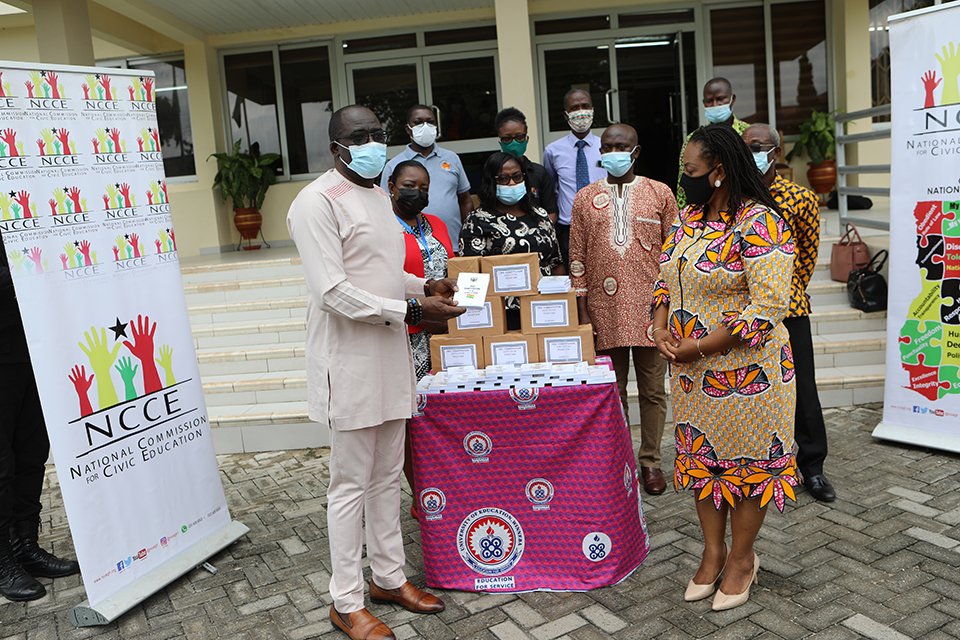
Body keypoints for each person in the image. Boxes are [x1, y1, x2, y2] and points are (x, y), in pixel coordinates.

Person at [287, 105, 465, 640]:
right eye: (358, 136)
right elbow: (333, 291)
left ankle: (389, 577)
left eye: (377, 135)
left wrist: (423, 288)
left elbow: (386, 270)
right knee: (350, 485)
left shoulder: (377, 194)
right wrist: (413, 312)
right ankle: (346, 600)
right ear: (335, 145)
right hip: (349, 359)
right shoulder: (315, 202)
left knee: (389, 476)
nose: (371, 143)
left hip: (390, 355)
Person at [653, 123, 798, 611]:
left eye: (689, 170)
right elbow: (665, 278)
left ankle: (741, 558)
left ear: (718, 171)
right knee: (704, 463)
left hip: (752, 375)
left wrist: (695, 348)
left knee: (751, 467)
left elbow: (766, 310)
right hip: (694, 379)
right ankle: (712, 553)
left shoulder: (761, 222)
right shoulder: (689, 220)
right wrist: (659, 326)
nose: (683, 179)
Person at [569, 124, 678, 496]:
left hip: (652, 311)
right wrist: (583, 312)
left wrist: (669, 312)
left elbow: (675, 255)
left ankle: (650, 462)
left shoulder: (659, 193)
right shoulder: (584, 197)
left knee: (652, 391)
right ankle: (619, 462)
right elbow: (577, 257)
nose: (614, 151)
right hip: (603, 310)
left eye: (622, 146)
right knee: (611, 391)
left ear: (636, 151)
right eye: (608, 146)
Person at [743, 123, 835, 502]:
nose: (753, 151)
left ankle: (812, 467)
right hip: (741, 312)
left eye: (760, 146)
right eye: (746, 146)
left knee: (803, 389)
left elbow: (807, 258)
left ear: (776, 152)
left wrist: (781, 293)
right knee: (748, 386)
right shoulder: (733, 196)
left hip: (789, 309)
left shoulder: (800, 199)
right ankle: (752, 461)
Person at [0, 233, 80, 602]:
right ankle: (3, 561)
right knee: (2, 467)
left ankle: (25, 546)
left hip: (33, 350)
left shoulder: (17, 204)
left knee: (32, 455)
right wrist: (32, 273)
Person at [387, 159, 453, 513]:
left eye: (425, 188)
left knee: (443, 414)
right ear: (392, 186)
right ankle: (422, 493)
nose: (418, 192)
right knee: (413, 419)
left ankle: (449, 484)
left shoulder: (438, 224)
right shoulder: (383, 228)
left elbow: (453, 269)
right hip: (406, 334)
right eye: (411, 185)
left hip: (443, 334)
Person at [459, 152, 564, 330]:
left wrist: (564, 300)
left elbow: (556, 262)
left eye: (517, 177)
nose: (512, 183)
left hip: (546, 308)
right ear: (491, 182)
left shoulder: (541, 215)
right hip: (501, 313)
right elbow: (469, 274)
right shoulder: (476, 220)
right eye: (503, 179)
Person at [381, 105, 473, 244]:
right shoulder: (394, 165)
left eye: (430, 122)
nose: (425, 126)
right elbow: (385, 207)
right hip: (411, 246)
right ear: (408, 129)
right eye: (418, 122)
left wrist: (467, 235)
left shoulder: (451, 158)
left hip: (453, 242)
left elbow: (465, 200)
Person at [543, 89, 607, 268]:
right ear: (566, 115)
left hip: (603, 224)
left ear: (593, 110)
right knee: (575, 276)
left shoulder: (607, 147)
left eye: (585, 106)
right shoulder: (553, 151)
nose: (581, 112)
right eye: (574, 108)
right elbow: (552, 188)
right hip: (569, 228)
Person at [676, 78, 750, 209]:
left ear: (732, 99)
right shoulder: (693, 140)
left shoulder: (749, 135)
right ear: (704, 103)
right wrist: (684, 214)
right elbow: (685, 180)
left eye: (720, 99)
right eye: (709, 101)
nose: (715, 104)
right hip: (707, 210)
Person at [494, 107, 559, 223]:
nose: (514, 143)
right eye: (507, 138)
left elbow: (551, 212)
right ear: (500, 142)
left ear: (526, 139)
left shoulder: (539, 173)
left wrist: (541, 234)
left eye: (519, 137)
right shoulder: (493, 172)